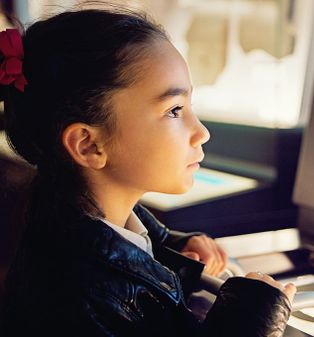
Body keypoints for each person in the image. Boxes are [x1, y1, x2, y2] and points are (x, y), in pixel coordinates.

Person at [0, 6, 295, 337]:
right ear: (88, 145)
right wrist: (249, 321)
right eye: (174, 110)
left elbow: (126, 256)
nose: (201, 132)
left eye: (189, 107)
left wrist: (172, 250)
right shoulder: (73, 297)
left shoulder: (64, 217)